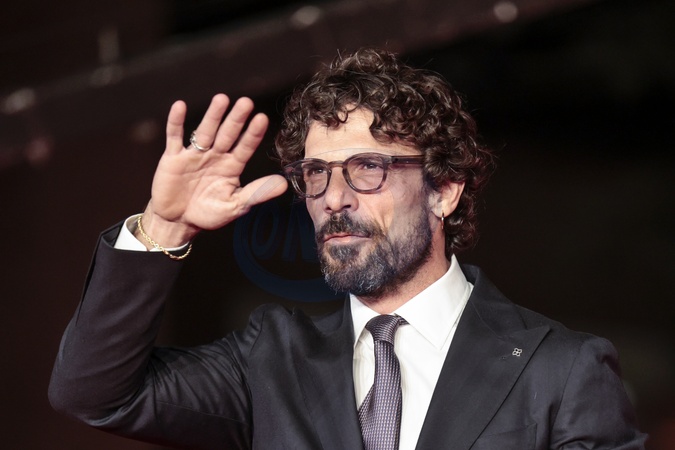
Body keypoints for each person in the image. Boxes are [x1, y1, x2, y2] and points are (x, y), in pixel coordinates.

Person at [49, 48, 646, 449]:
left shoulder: (561, 370)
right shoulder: (270, 360)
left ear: (443, 189)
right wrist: (164, 224)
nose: (333, 198)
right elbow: (94, 394)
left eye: (367, 168)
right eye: (316, 173)